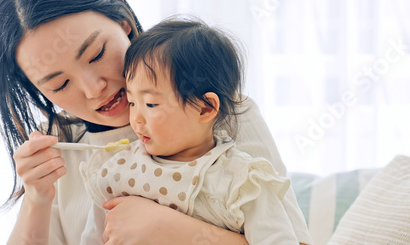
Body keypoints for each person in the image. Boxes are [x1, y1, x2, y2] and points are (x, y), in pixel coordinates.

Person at [0, 0, 312, 244]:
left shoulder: (221, 113)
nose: (94, 89)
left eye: (97, 54)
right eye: (60, 84)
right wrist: (36, 197)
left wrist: (173, 231)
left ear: (124, 21)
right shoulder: (60, 144)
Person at [79, 17, 300, 244]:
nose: (135, 119)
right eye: (133, 102)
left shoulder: (242, 182)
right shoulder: (118, 169)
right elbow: (93, 238)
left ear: (205, 108)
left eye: (151, 104)